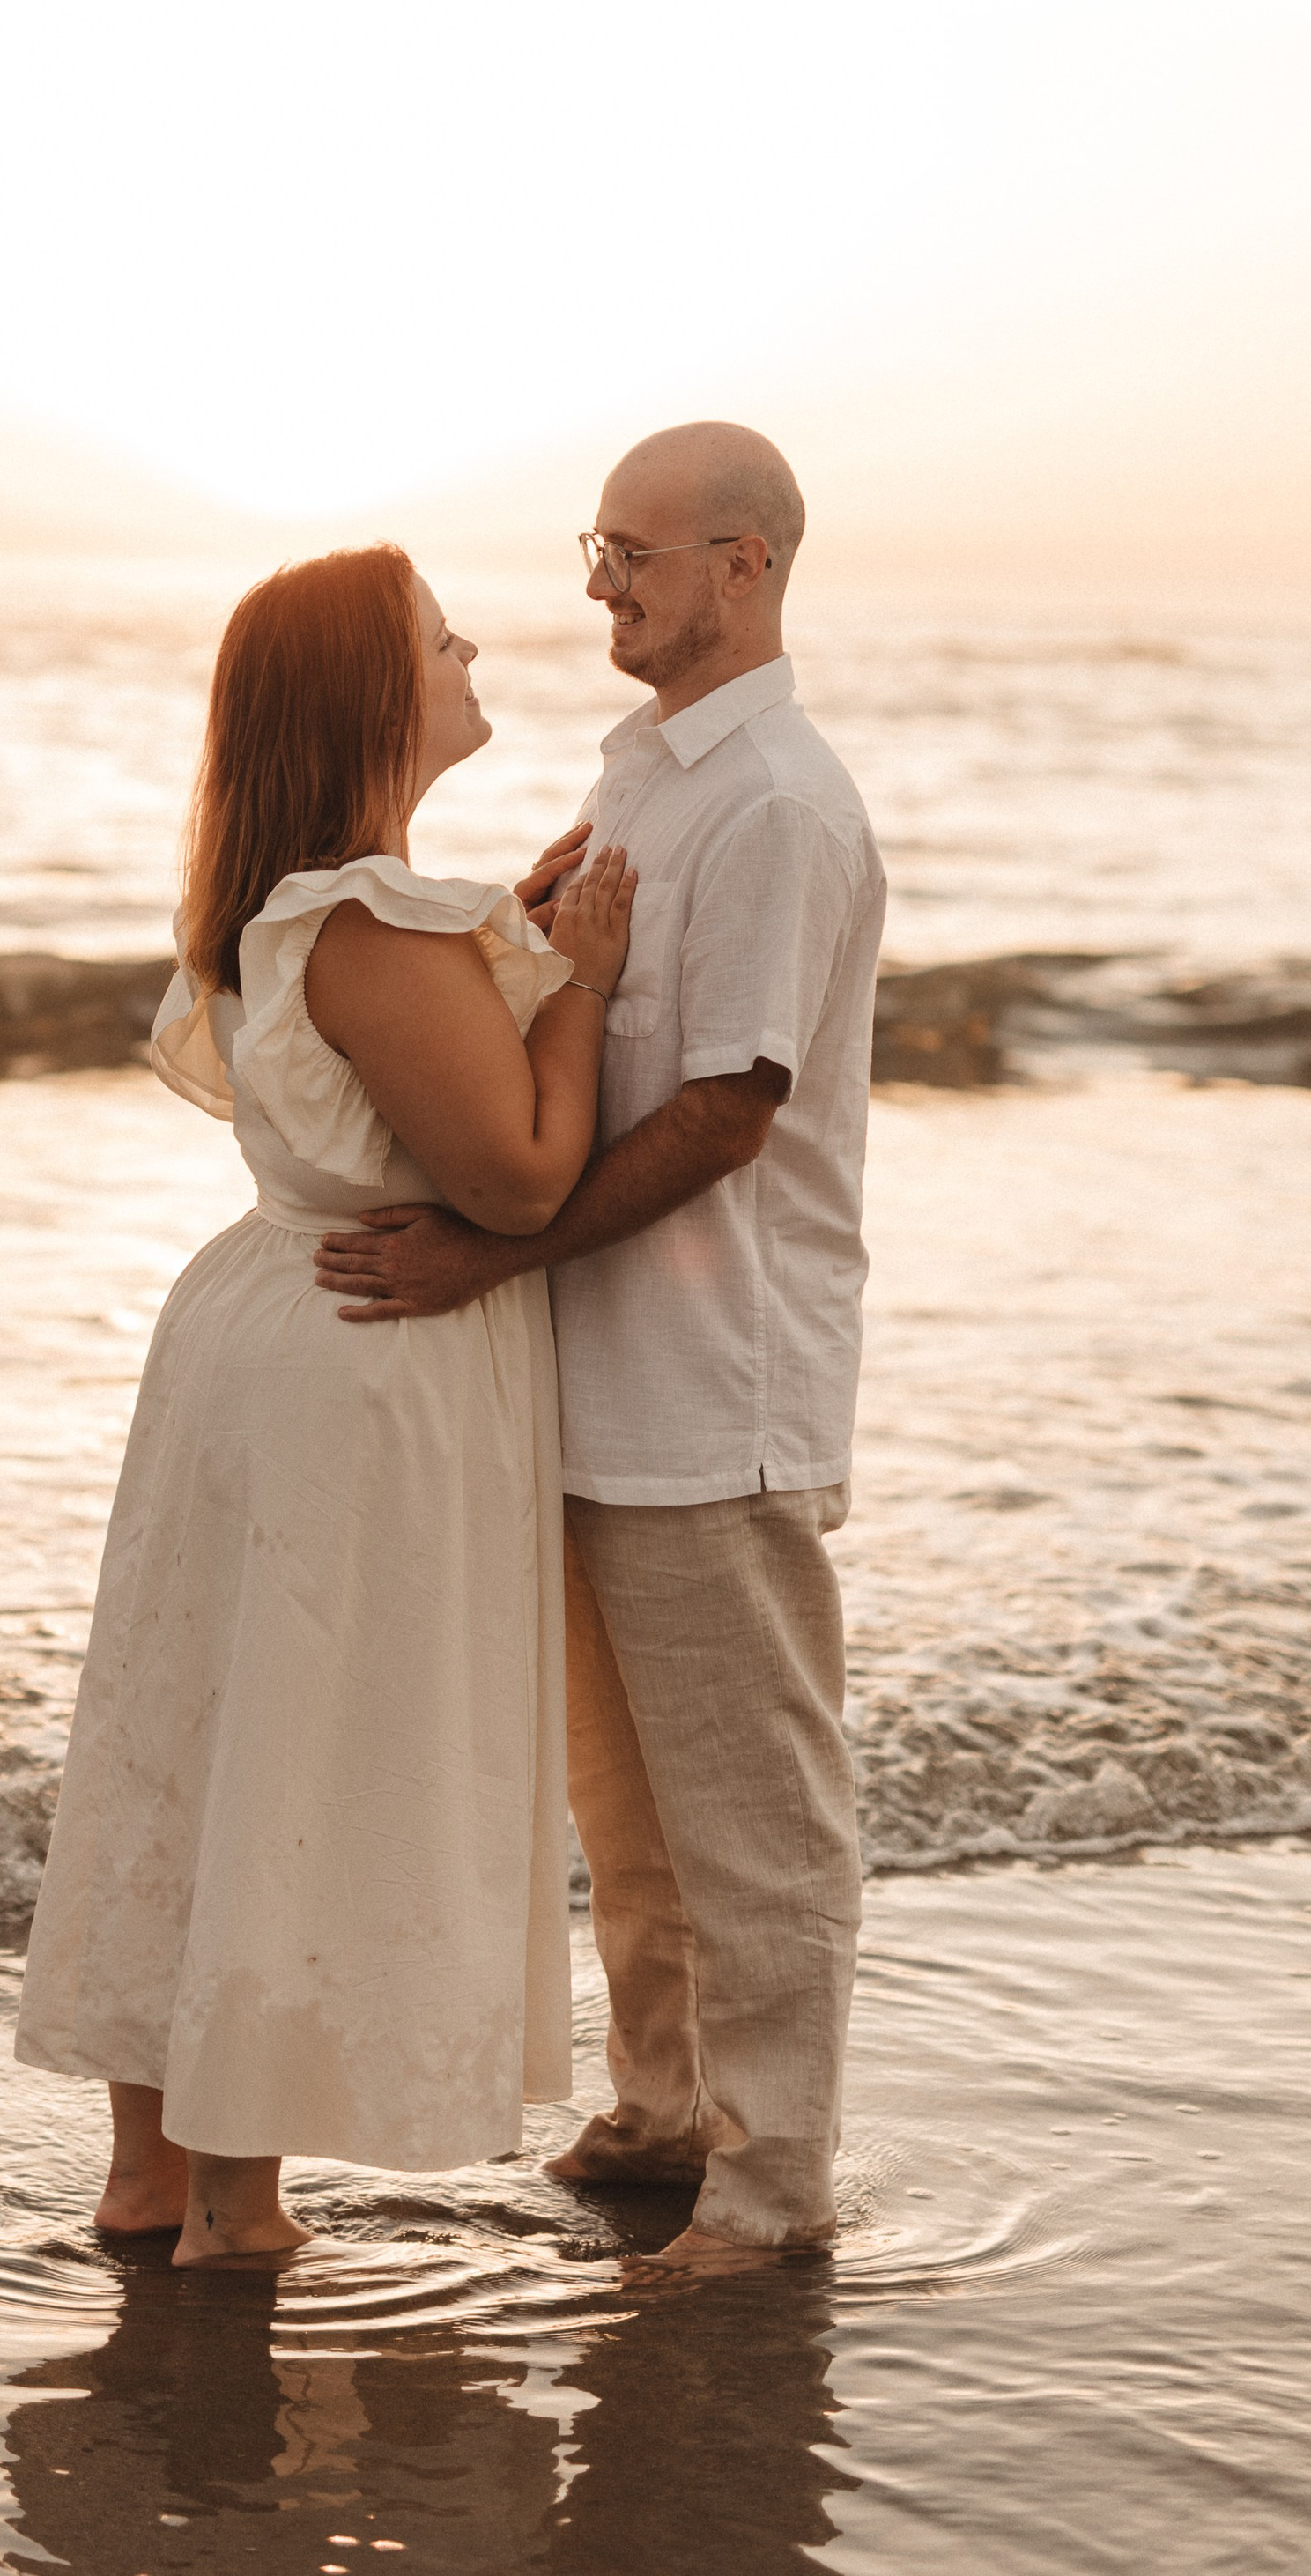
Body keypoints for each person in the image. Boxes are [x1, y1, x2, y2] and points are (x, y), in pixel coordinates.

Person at [14, 544, 636, 2265]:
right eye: (437, 638)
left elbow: (388, 1081)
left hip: (263, 1332)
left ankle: (155, 2179)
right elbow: (517, 1176)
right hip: (361, 1363)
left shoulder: (300, 907)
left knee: (209, 1737)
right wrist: (580, 983)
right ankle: (239, 2209)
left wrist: (509, 947)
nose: (468, 648)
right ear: (372, 695)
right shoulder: (373, 922)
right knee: (307, 1747)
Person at [315, 424, 885, 2263]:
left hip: (718, 1390)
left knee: (753, 1816)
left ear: (744, 565)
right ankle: (659, 2112)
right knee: (627, 1808)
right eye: (597, 547)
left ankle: (772, 2184)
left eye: (633, 553)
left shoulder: (775, 804)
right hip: (593, 1373)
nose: (597, 584)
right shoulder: (645, 772)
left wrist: (485, 1255)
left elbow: (725, 1113)